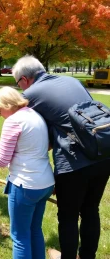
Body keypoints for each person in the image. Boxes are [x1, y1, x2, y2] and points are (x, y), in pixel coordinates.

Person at [13, 55, 110, 259]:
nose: (20, 88)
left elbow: (32, 133)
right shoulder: (70, 80)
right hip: (103, 153)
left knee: (68, 217)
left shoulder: (30, 94)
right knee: (91, 210)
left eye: (18, 83)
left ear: (24, 79)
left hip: (74, 164)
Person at [0, 87, 54, 258]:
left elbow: (2, 160)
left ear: (7, 105)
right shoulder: (34, 115)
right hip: (45, 183)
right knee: (34, 230)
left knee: (19, 236)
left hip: (25, 186)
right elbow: (27, 142)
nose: (0, 114)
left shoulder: (13, 121)